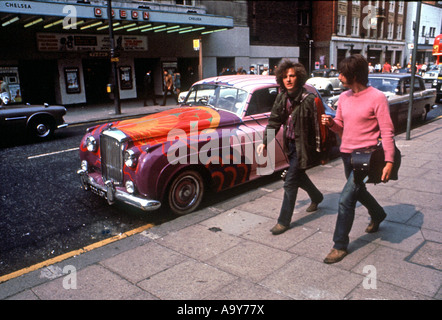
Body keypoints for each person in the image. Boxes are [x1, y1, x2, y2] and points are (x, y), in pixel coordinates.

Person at [321, 54, 395, 264]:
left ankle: (339, 245)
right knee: (357, 191)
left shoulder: (377, 97)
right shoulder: (344, 97)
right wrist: (330, 124)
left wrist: (389, 161)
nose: (339, 75)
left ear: (354, 75)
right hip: (347, 154)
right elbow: (341, 126)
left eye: (342, 72)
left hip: (366, 156)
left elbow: (387, 132)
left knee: (346, 199)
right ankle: (378, 213)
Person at [257, 60, 324, 236]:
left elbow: (316, 127)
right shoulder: (282, 97)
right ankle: (317, 197)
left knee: (290, 181)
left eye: (292, 76)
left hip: (304, 146)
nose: (288, 79)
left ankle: (283, 221)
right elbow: (274, 121)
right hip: (290, 145)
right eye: (285, 76)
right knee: (298, 175)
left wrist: (317, 151)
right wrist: (266, 141)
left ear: (299, 77)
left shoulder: (308, 100)